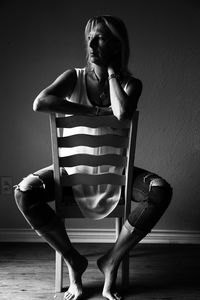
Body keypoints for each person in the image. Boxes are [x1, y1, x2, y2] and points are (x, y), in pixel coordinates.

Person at [14, 15, 172, 300]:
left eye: (99, 37)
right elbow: (40, 103)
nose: (91, 43)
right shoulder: (72, 77)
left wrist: (112, 72)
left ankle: (111, 260)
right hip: (72, 175)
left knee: (161, 192)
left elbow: (122, 113)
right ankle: (74, 260)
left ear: (116, 44)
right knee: (24, 193)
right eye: (89, 37)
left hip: (117, 174)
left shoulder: (131, 84)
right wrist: (93, 112)